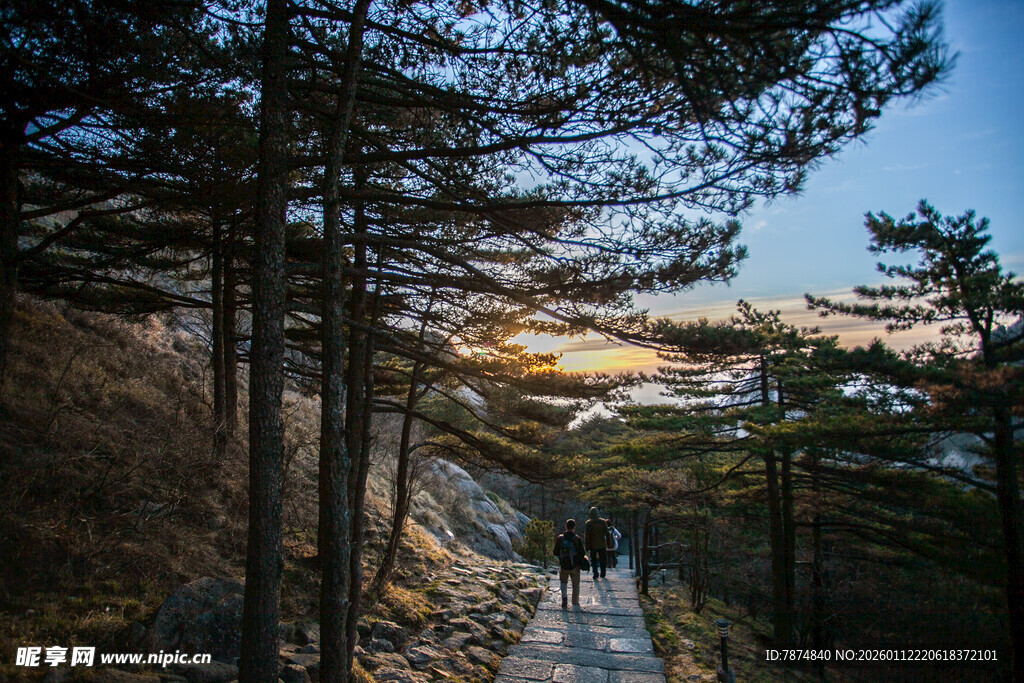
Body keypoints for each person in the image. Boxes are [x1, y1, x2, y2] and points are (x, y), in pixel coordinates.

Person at [552, 519, 586, 608]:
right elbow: (582, 553)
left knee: (563, 582)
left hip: (563, 566)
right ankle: (575, 602)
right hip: (575, 566)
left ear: (566, 527)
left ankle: (564, 598)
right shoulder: (577, 539)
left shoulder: (560, 538)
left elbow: (555, 552)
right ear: (574, 527)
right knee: (575, 585)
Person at [584, 507, 611, 579]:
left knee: (593, 560)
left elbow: (587, 536)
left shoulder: (588, 524)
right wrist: (608, 542)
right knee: (603, 559)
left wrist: (587, 546)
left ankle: (595, 573)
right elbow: (607, 534)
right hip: (602, 544)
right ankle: (603, 572)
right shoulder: (602, 522)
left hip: (593, 545)